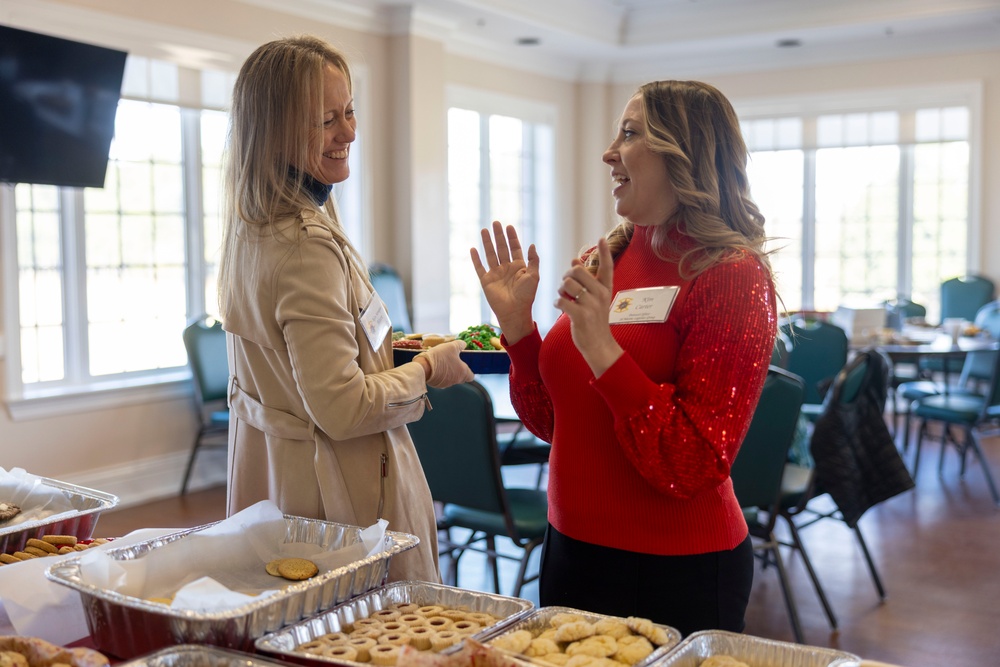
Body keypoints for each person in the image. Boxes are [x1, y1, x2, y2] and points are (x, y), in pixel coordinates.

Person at [471, 80, 777, 635]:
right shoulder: (603, 257)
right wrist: (518, 330)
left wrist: (603, 352)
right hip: (570, 550)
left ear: (684, 154)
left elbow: (691, 465)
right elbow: (554, 423)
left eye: (630, 134)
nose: (609, 153)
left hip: (676, 568)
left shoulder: (731, 274)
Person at [217, 35, 474, 583]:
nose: (350, 132)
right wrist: (427, 369)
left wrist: (390, 352)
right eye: (326, 120)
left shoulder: (249, 228)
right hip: (334, 501)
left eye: (350, 111)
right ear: (277, 131)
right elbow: (343, 407)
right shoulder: (304, 244)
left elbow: (303, 365)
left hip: (275, 486)